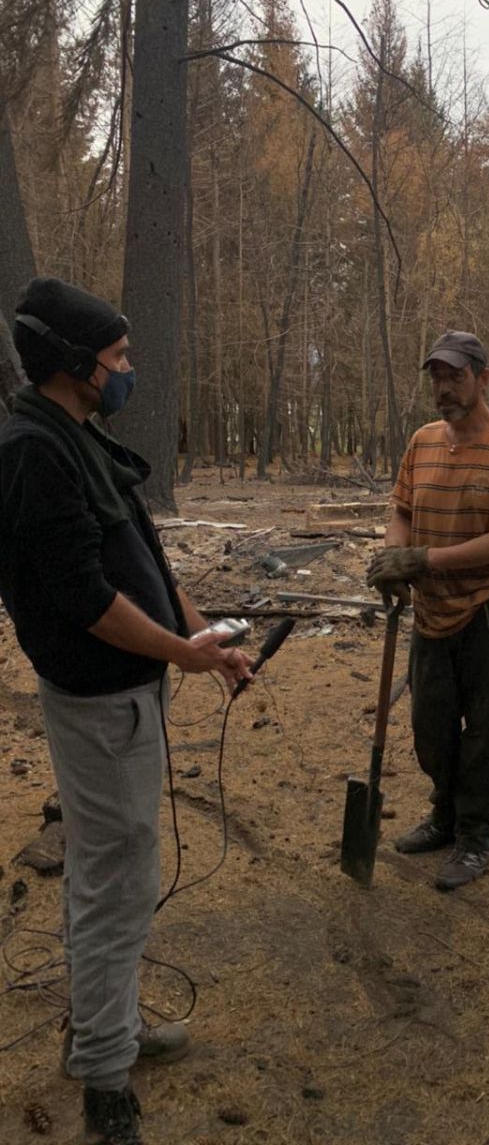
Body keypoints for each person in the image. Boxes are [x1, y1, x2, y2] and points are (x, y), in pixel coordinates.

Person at [0, 278, 254, 1145]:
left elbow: (137, 554)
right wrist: (185, 654)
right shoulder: (34, 451)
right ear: (75, 366)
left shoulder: (79, 436)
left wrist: (201, 634)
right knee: (119, 885)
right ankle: (106, 1073)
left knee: (105, 875)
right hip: (103, 709)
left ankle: (102, 1023)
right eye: (118, 360)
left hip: (128, 695)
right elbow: (85, 598)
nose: (127, 371)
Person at [366, 330, 489, 891]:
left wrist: (424, 560)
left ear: (483, 378)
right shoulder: (422, 442)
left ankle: (475, 835)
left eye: (455, 376)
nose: (443, 387)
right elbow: (402, 508)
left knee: (484, 728)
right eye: (437, 377)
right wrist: (397, 557)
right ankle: (444, 814)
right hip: (432, 612)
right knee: (430, 726)